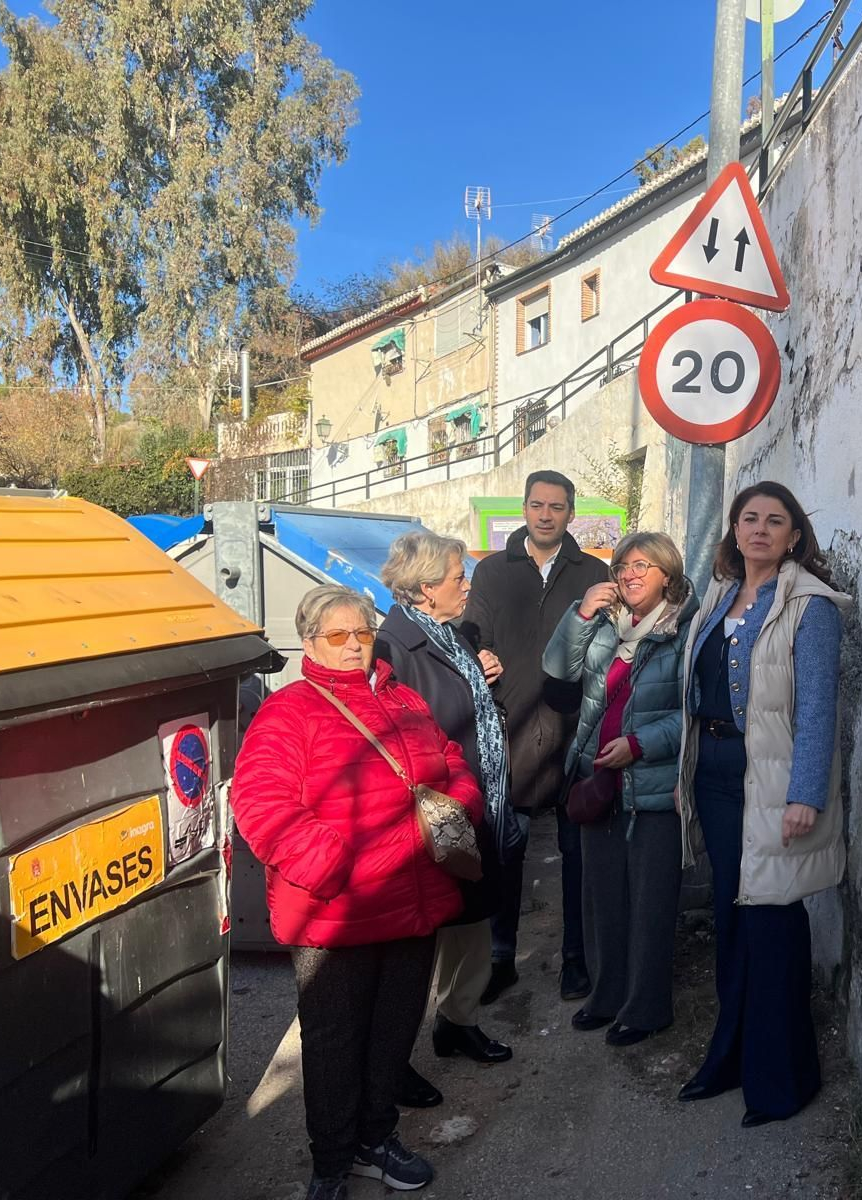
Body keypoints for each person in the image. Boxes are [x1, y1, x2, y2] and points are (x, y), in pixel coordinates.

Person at [232, 584, 482, 1200]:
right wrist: (342, 869)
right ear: (310, 642)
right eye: (336, 636)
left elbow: (449, 763)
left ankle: (376, 1138)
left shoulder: (403, 699)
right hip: (336, 914)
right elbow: (261, 805)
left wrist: (456, 807)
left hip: (413, 900)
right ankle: (332, 1160)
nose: (352, 646)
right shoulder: (290, 711)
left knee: (393, 1032)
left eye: (362, 634)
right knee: (334, 1043)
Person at [674, 482, 851, 1128]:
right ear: (735, 530)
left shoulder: (812, 606)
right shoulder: (720, 598)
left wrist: (805, 795)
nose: (760, 529)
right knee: (731, 919)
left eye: (775, 521)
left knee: (773, 925)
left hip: (773, 785)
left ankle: (782, 1080)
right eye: (749, 518)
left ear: (794, 535)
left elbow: (818, 709)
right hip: (716, 780)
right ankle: (730, 1058)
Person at [542, 532, 698, 1046]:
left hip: (651, 788)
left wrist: (640, 743)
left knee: (650, 903)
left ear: (667, 576)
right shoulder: (606, 623)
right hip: (597, 782)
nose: (630, 574)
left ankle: (647, 1007)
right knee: (601, 899)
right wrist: (580, 614)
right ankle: (607, 995)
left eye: (643, 565)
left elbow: (692, 714)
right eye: (623, 565)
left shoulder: (685, 630)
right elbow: (557, 669)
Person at [375, 531, 514, 1107]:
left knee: (472, 923)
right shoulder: (393, 645)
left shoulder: (451, 634)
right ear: (427, 588)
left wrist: (482, 680)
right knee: (419, 941)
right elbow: (395, 739)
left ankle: (457, 1019)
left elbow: (467, 710)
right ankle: (392, 1058)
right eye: (459, 577)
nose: (467, 586)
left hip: (473, 800)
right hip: (432, 814)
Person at [462, 470, 610, 1003]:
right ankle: (502, 957)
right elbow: (470, 631)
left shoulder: (593, 571)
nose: (546, 514)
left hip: (575, 732)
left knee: (578, 855)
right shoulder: (492, 572)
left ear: (571, 513)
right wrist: (477, 654)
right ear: (524, 509)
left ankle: (576, 960)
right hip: (512, 726)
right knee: (507, 852)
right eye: (537, 505)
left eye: (557, 506)